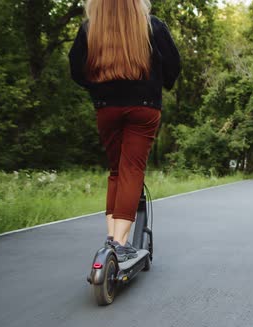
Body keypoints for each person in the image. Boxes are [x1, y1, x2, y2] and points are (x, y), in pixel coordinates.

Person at [69, 0, 181, 261]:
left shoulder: (90, 29)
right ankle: (120, 244)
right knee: (132, 169)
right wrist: (160, 82)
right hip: (144, 107)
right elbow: (173, 66)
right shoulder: (152, 27)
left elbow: (76, 68)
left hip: (107, 108)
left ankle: (112, 238)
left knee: (117, 170)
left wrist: (98, 87)